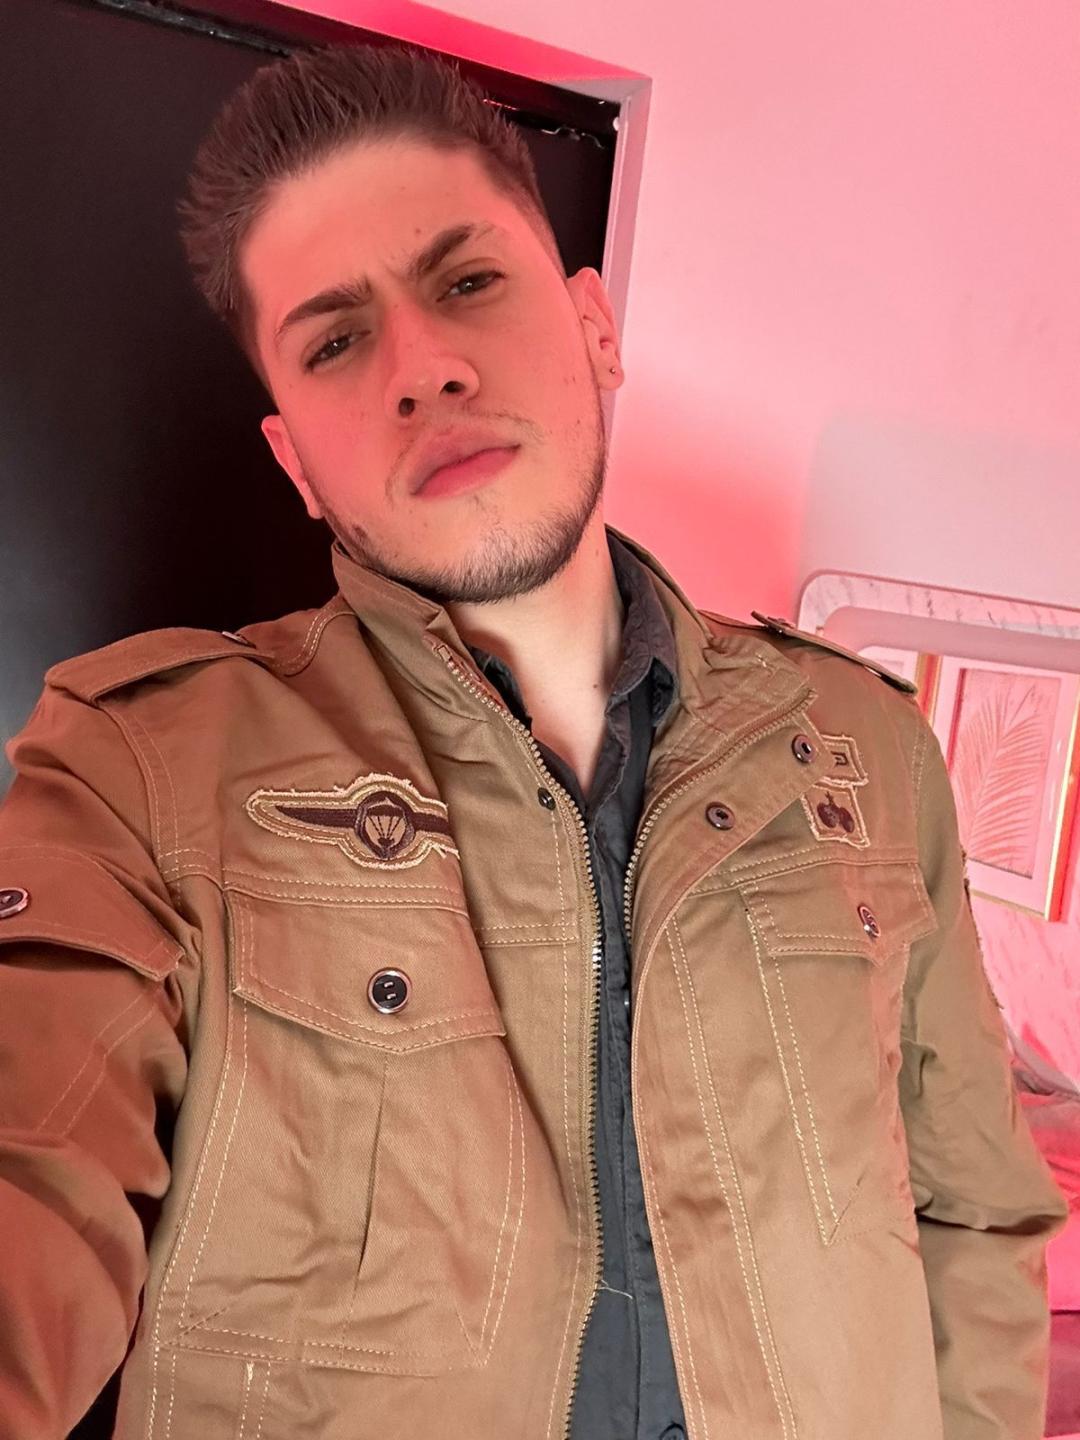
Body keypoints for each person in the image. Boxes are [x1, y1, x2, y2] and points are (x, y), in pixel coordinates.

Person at [0, 42, 1066, 1440]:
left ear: (595, 329)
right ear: (297, 463)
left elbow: (976, 1219)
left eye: (466, 282)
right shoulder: (141, 767)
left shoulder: (866, 745)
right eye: (335, 341)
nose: (424, 368)